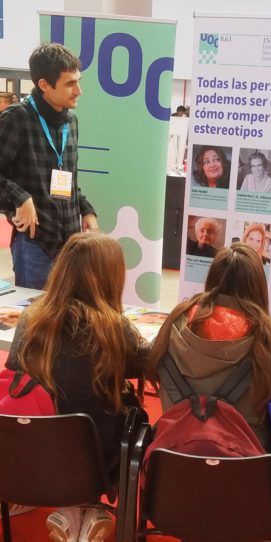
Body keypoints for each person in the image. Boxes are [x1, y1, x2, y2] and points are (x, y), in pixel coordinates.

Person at [5, 232, 150, 542]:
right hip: (100, 456)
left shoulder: (31, 319)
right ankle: (89, 509)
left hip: (38, 449)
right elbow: (143, 366)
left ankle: (73, 509)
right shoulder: (116, 328)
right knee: (119, 416)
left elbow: (15, 368)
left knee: (69, 414)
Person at [150, 243, 271, 453]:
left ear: (211, 280)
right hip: (248, 471)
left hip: (172, 468)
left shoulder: (171, 329)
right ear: (259, 288)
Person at [0, 43, 99, 290]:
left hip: (70, 244)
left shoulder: (71, 121)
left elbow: (67, 179)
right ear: (44, 84)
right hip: (35, 244)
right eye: (70, 84)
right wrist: (20, 197)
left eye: (78, 81)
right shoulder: (16, 119)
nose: (79, 91)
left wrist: (86, 210)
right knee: (36, 312)